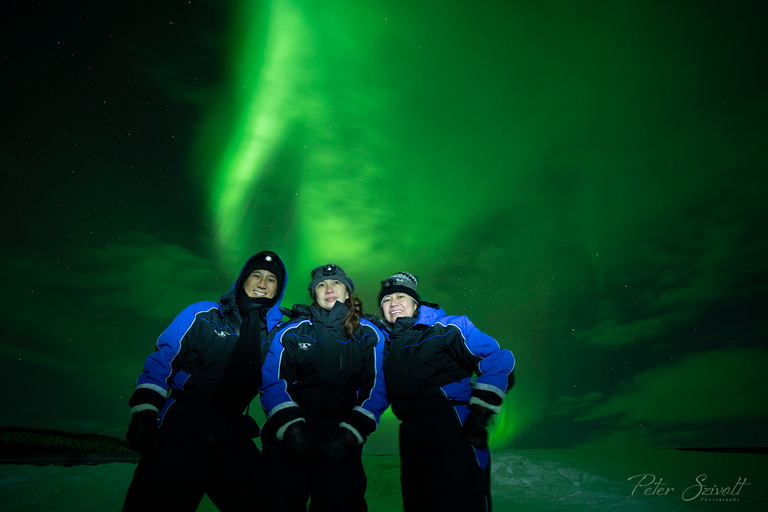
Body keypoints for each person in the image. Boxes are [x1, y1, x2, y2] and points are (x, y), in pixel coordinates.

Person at [122, 251, 287, 511]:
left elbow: (283, 379)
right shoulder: (204, 315)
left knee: (264, 501)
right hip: (183, 426)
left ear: (278, 290)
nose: (262, 284)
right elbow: (164, 359)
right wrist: (144, 412)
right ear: (243, 279)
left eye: (271, 279)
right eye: (256, 275)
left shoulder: (277, 335)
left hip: (232, 431)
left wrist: (319, 324)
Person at [378, 271, 515, 512]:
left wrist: (480, 412)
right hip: (410, 434)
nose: (393, 303)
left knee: (458, 502)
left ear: (415, 302)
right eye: (386, 300)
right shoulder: (386, 344)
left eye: (401, 296)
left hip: (451, 427)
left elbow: (497, 358)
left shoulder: (446, 328)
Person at [260, 263, 389, 512]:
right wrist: (292, 427)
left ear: (348, 292)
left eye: (336, 283)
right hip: (291, 435)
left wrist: (350, 434)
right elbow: (273, 379)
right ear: (314, 294)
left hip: (340, 435)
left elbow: (377, 387)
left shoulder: (369, 333)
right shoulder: (292, 330)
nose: (329, 289)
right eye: (321, 285)